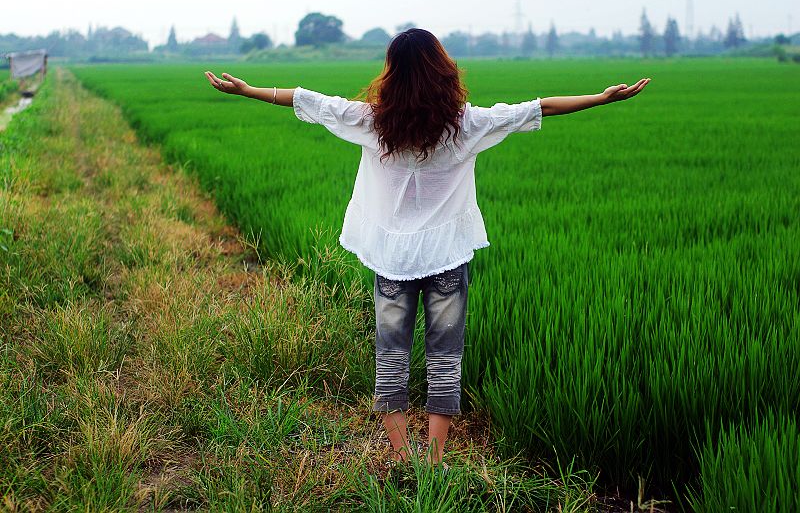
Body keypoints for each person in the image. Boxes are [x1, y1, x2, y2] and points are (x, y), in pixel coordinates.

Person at [204, 28, 650, 469]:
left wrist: (247, 91)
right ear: (442, 71)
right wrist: (600, 98)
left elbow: (309, 100)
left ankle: (401, 456)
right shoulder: (467, 125)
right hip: (447, 259)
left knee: (391, 352)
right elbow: (538, 108)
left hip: (394, 262)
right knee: (445, 353)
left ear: (392, 74)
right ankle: (434, 459)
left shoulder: (373, 121)